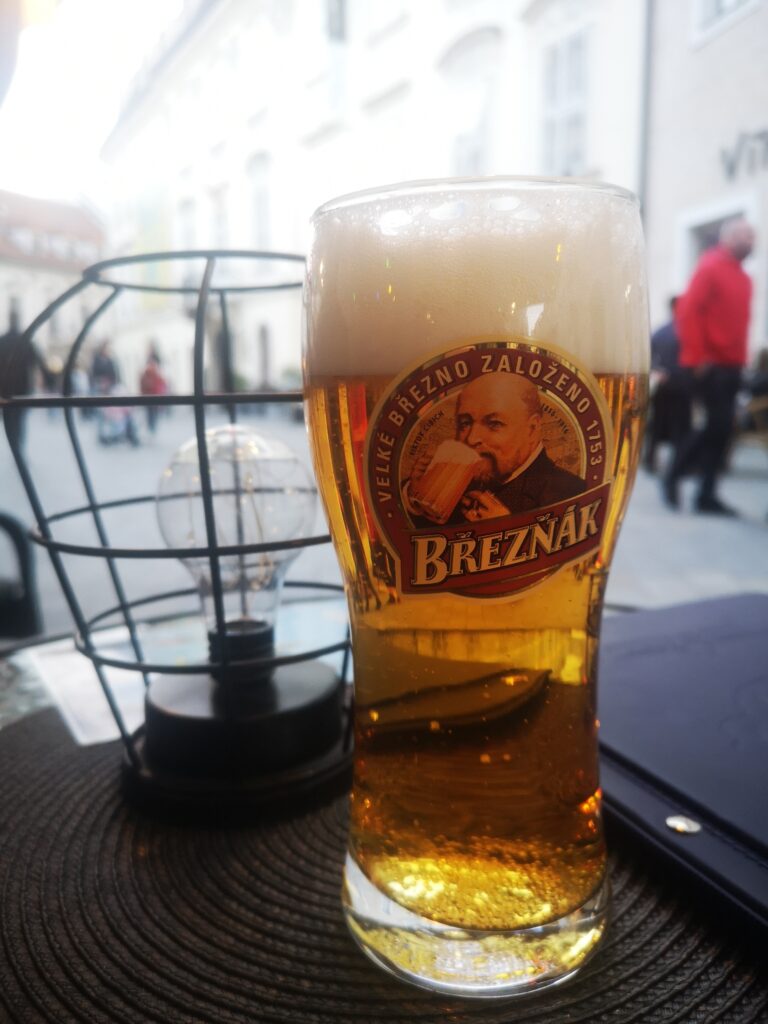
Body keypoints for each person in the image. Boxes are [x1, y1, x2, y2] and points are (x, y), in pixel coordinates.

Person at [663, 218, 755, 515]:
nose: (751, 241)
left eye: (753, 236)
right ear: (727, 238)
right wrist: (697, 356)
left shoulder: (744, 278)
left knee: (723, 429)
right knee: (713, 426)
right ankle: (674, 475)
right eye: (745, 235)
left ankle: (706, 494)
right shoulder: (710, 267)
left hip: (733, 366)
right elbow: (688, 312)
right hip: (710, 366)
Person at [411, 373, 584, 523]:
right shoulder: (452, 482)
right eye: (465, 423)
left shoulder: (569, 491)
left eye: (494, 424)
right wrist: (418, 495)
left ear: (532, 429)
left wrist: (506, 529)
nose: (471, 439)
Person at [644, 298, 691, 473]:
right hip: (681, 386)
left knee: (657, 427)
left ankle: (651, 461)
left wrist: (657, 370)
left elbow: (648, 357)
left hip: (665, 386)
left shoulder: (660, 332)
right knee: (680, 428)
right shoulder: (686, 332)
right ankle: (678, 465)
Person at [0, 308, 42, 453]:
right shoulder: (25, 340)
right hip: (22, 388)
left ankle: (15, 445)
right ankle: (18, 448)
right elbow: (37, 361)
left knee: (9, 419)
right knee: (19, 420)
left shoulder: (3, 340)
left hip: (5, 388)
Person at [139, 350, 167, 434]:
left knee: (152, 413)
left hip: (152, 395)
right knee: (151, 413)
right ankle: (151, 427)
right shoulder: (149, 373)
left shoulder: (152, 373)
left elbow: (160, 383)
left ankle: (152, 427)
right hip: (150, 396)